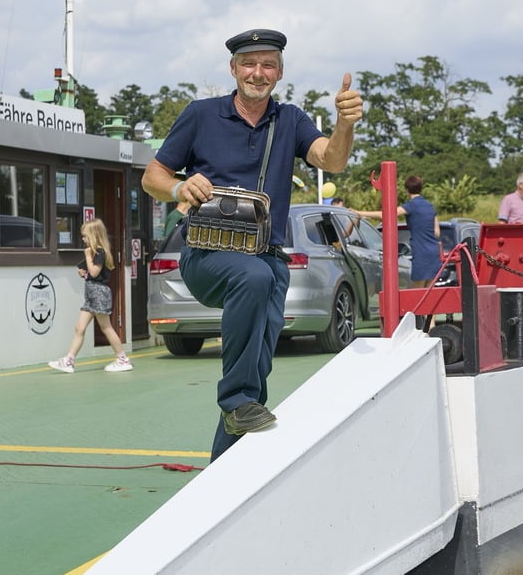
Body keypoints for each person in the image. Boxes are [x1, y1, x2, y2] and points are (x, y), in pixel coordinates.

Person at [141, 28, 363, 461]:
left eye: (267, 65)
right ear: (233, 68)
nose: (257, 73)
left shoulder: (291, 120)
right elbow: (153, 177)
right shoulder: (201, 115)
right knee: (253, 278)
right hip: (207, 256)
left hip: (268, 260)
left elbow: (331, 159)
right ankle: (235, 399)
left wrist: (344, 124)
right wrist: (180, 188)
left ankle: (225, 466)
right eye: (249, 63)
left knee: (259, 367)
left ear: (279, 72)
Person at [49, 218, 133, 374]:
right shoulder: (93, 253)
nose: (83, 239)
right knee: (79, 327)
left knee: (106, 327)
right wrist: (81, 271)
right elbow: (87, 271)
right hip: (91, 295)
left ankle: (123, 359)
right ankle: (69, 360)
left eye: (85, 236)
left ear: (94, 236)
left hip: (98, 293)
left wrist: (88, 256)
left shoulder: (99, 252)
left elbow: (94, 272)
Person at [357, 175, 441, 288]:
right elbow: (437, 232)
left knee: (417, 292)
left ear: (407, 190)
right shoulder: (430, 206)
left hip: (421, 252)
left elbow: (386, 215)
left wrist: (359, 212)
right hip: (434, 252)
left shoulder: (411, 206)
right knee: (430, 292)